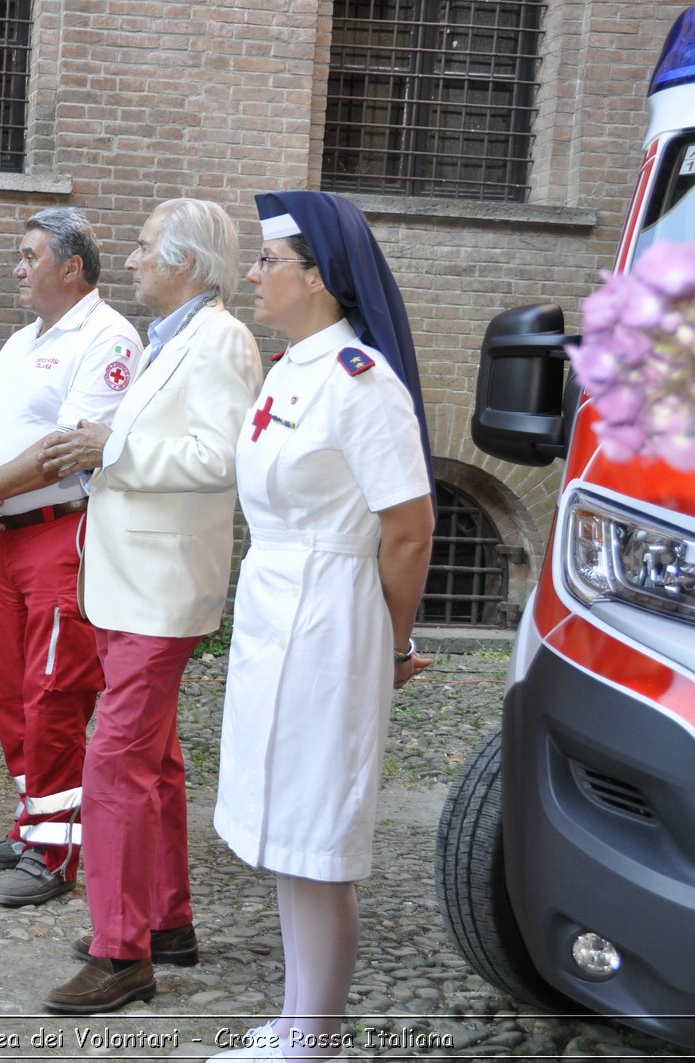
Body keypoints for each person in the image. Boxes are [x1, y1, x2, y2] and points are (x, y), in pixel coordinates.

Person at [207, 191, 435, 1062]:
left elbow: (409, 526)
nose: (255, 274)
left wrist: (395, 637)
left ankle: (317, 1037)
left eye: (270, 262)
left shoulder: (360, 382)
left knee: (319, 830)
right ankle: (298, 1012)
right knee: (281, 822)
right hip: (273, 603)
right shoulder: (290, 366)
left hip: (336, 608)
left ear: (318, 277)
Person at [34, 199, 263, 1013]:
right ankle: (166, 921)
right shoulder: (177, 336)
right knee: (154, 762)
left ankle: (121, 950)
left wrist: (112, 445)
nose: (128, 261)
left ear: (188, 263)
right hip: (132, 577)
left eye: (141, 249)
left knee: (116, 763)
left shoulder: (222, 339)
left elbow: (220, 455)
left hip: (161, 586)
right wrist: (110, 437)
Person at [0, 207, 140, 906]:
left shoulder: (108, 336)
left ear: (71, 266)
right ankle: (35, 821)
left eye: (29, 255)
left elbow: (64, 448)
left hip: (63, 532)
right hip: (8, 537)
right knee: (8, 688)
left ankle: (57, 852)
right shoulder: (25, 339)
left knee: (55, 691)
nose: (18, 268)